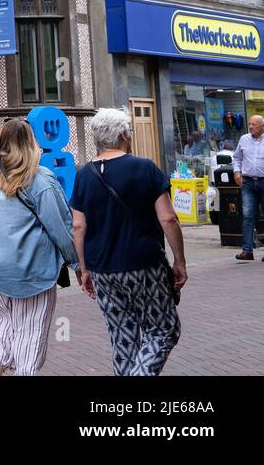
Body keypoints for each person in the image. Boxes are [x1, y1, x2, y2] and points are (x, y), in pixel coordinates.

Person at [72, 108, 187, 376]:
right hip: (144, 264)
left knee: (123, 337)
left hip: (103, 269)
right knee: (164, 330)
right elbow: (168, 218)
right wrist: (179, 260)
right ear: (123, 135)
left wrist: (84, 268)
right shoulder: (144, 168)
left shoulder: (83, 175)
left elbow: (78, 225)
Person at [0, 118, 78, 375]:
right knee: (29, 332)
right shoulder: (40, 178)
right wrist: (77, 264)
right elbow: (61, 228)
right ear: (31, 143)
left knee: (1, 325)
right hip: (33, 271)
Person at [232, 114, 264, 261]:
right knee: (247, 215)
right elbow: (237, 158)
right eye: (250, 124)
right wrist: (237, 172)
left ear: (262, 127)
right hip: (248, 183)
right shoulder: (244, 139)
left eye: (254, 124)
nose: (250, 126)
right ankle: (247, 250)